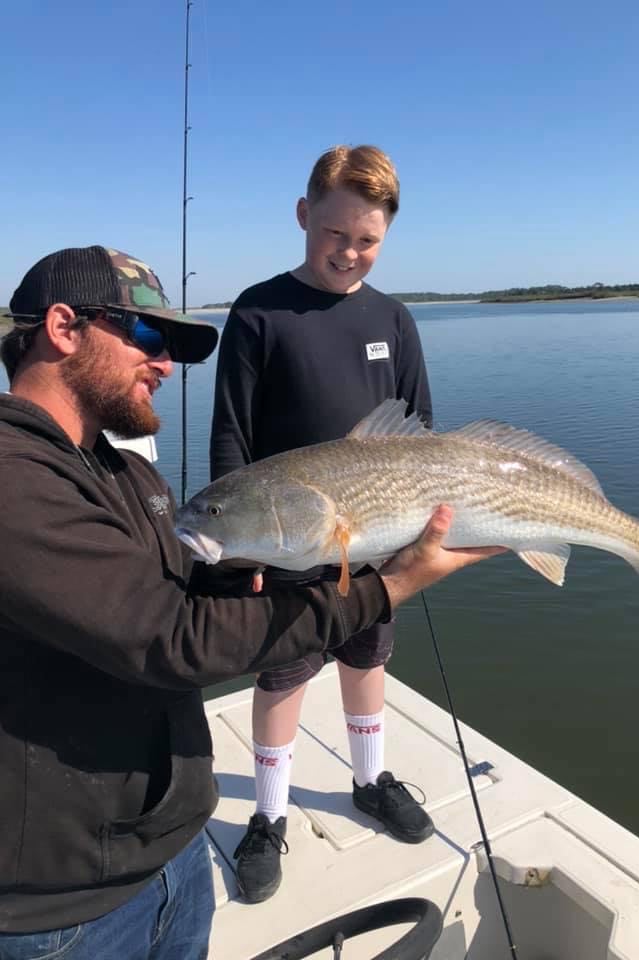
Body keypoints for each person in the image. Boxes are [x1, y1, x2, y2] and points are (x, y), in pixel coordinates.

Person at [0, 244, 503, 959]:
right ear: (62, 327)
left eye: (172, 345)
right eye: (147, 337)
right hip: (64, 908)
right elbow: (173, 639)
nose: (166, 364)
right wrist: (386, 588)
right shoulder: (15, 477)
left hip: (171, 859)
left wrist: (231, 574)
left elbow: (165, 591)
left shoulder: (124, 476)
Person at [210, 145, 436, 905]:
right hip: (285, 536)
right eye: (335, 233)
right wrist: (239, 552)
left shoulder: (394, 319)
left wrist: (419, 537)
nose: (349, 251)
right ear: (305, 216)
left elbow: (423, 431)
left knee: (367, 658)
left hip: (376, 531)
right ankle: (269, 817)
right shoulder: (258, 311)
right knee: (281, 676)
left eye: (366, 239)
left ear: (386, 237)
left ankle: (369, 781)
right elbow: (231, 438)